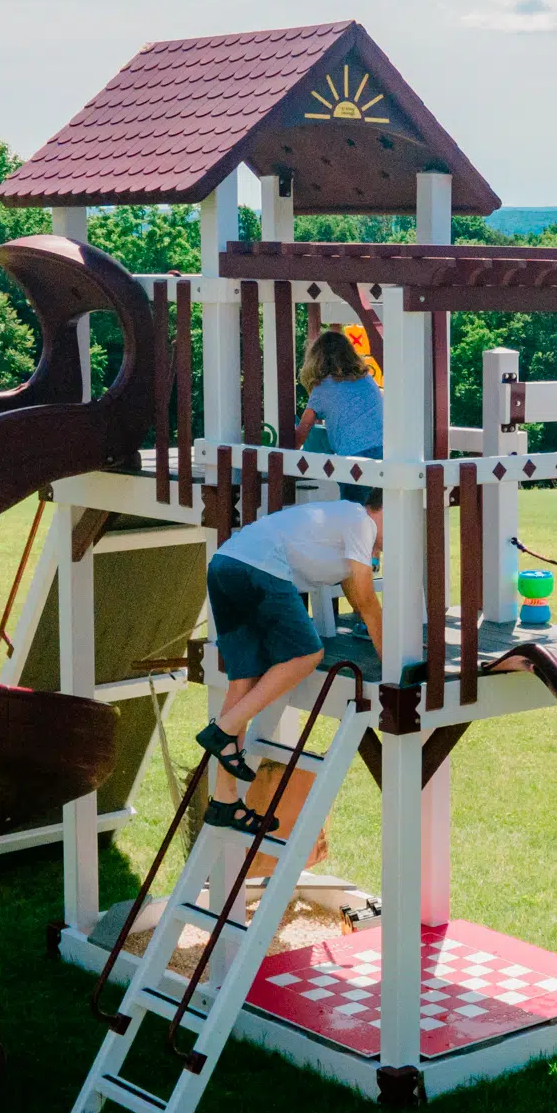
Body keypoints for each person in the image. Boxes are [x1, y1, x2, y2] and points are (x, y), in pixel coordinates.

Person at [196, 491, 384, 834]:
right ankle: (222, 731)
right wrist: (392, 664)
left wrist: (369, 568)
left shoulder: (343, 523)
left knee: (244, 680)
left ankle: (224, 801)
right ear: (386, 510)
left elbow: (358, 598)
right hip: (259, 566)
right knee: (307, 654)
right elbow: (369, 601)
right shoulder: (361, 521)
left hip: (224, 565)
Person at [295, 328, 383, 502]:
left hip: (354, 460)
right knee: (378, 515)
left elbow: (303, 430)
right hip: (383, 453)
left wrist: (287, 450)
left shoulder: (323, 388)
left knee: (352, 513)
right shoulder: (366, 379)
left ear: (316, 358)